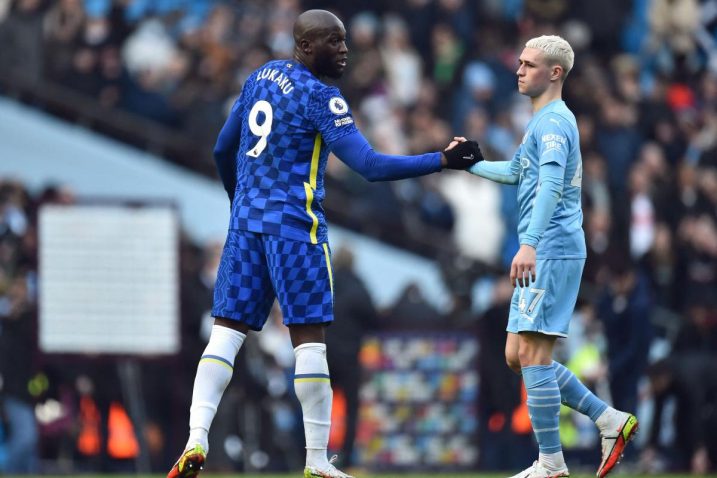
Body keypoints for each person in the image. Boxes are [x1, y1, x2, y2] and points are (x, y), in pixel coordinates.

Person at [167, 9, 481, 478]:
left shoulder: (260, 77)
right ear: (306, 46)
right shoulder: (321, 97)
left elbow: (221, 147)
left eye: (345, 40)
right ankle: (317, 462)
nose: (345, 49)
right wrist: (441, 160)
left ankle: (196, 439)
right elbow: (370, 167)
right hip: (296, 230)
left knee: (225, 336)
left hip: (245, 227)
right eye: (334, 42)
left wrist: (240, 202)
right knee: (309, 343)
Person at [465, 35, 638, 478]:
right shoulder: (541, 122)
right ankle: (608, 419)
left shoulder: (555, 124)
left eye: (529, 64)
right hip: (547, 247)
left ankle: (551, 463)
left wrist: (530, 243)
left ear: (555, 73)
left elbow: (552, 187)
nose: (519, 70)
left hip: (552, 249)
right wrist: (468, 164)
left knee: (533, 357)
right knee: (515, 354)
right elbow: (518, 172)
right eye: (520, 62)